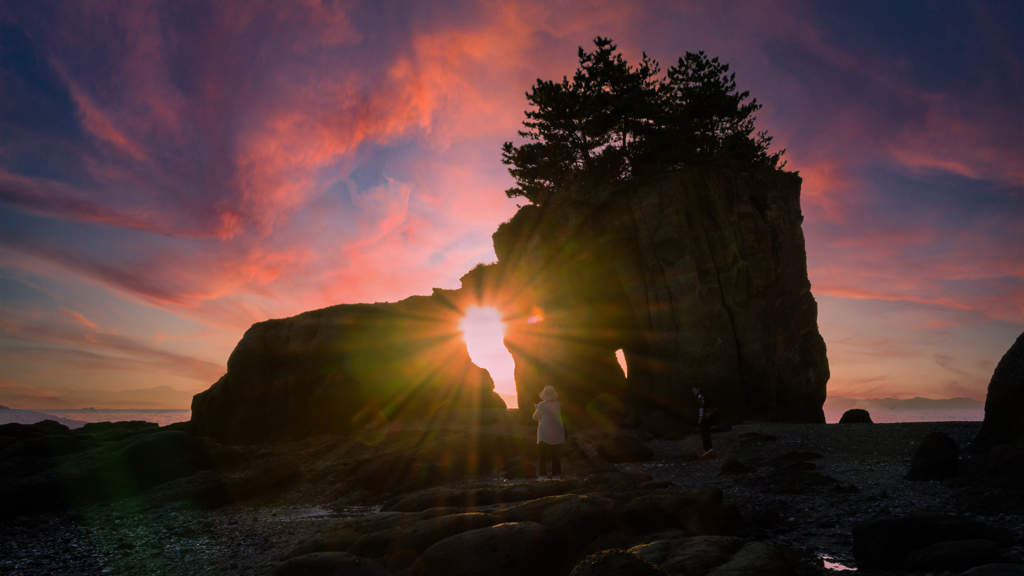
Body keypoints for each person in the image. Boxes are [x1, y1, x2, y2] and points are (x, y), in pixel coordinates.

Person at [532, 385, 565, 479]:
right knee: (555, 454)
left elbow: (535, 417)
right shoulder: (558, 404)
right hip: (556, 432)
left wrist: (536, 408)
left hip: (545, 433)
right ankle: (557, 475)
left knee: (542, 454)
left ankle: (543, 475)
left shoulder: (542, 405)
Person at [693, 384, 716, 457]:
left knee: (704, 431)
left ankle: (707, 449)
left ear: (699, 388)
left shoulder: (700, 396)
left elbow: (701, 407)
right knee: (706, 431)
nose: (693, 391)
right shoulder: (706, 395)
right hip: (711, 415)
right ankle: (708, 448)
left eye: (694, 389)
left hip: (706, 416)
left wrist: (700, 417)